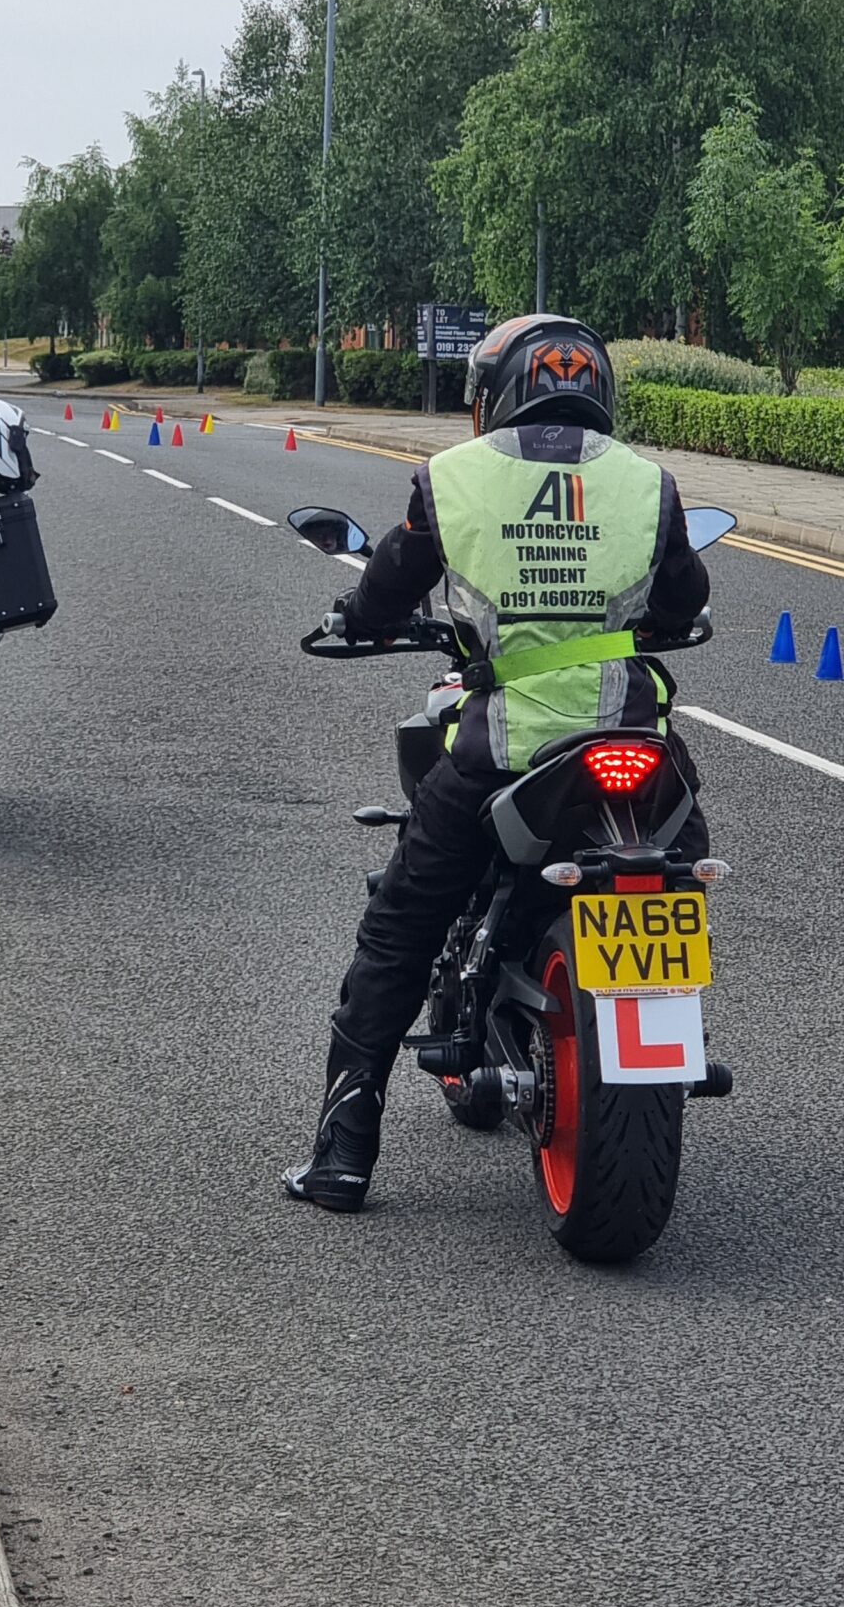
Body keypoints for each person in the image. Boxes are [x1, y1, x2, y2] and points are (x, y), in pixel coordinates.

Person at [283, 314, 711, 1213]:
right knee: (677, 876)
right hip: (635, 751)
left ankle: (342, 1155)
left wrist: (358, 618)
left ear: (493, 397)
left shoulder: (451, 478)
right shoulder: (650, 484)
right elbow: (683, 599)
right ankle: (660, 1025)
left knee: (398, 932)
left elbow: (388, 587)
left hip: (501, 755)